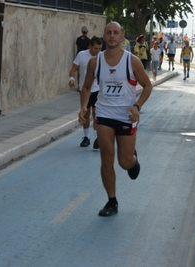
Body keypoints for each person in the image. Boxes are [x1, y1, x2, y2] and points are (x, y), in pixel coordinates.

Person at [78, 22, 153, 217]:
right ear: (104, 35)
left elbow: (147, 86)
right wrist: (84, 107)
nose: (112, 36)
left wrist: (137, 106)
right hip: (103, 115)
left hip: (126, 116)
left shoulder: (132, 61)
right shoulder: (96, 62)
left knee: (124, 161)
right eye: (108, 32)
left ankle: (133, 161)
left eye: (116, 33)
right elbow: (86, 87)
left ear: (122, 37)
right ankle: (112, 201)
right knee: (106, 158)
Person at [69, 36, 103, 148]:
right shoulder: (82, 55)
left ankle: (97, 138)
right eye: (95, 48)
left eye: (99, 48)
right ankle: (86, 137)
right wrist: (71, 78)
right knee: (86, 113)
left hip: (98, 89)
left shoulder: (102, 57)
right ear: (90, 46)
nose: (97, 51)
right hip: (85, 89)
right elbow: (73, 69)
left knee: (96, 113)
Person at [75, 26, 91, 90]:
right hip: (85, 56)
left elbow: (77, 46)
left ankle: (79, 85)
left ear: (82, 31)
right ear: (87, 31)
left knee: (79, 71)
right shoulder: (88, 40)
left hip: (78, 55)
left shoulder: (78, 39)